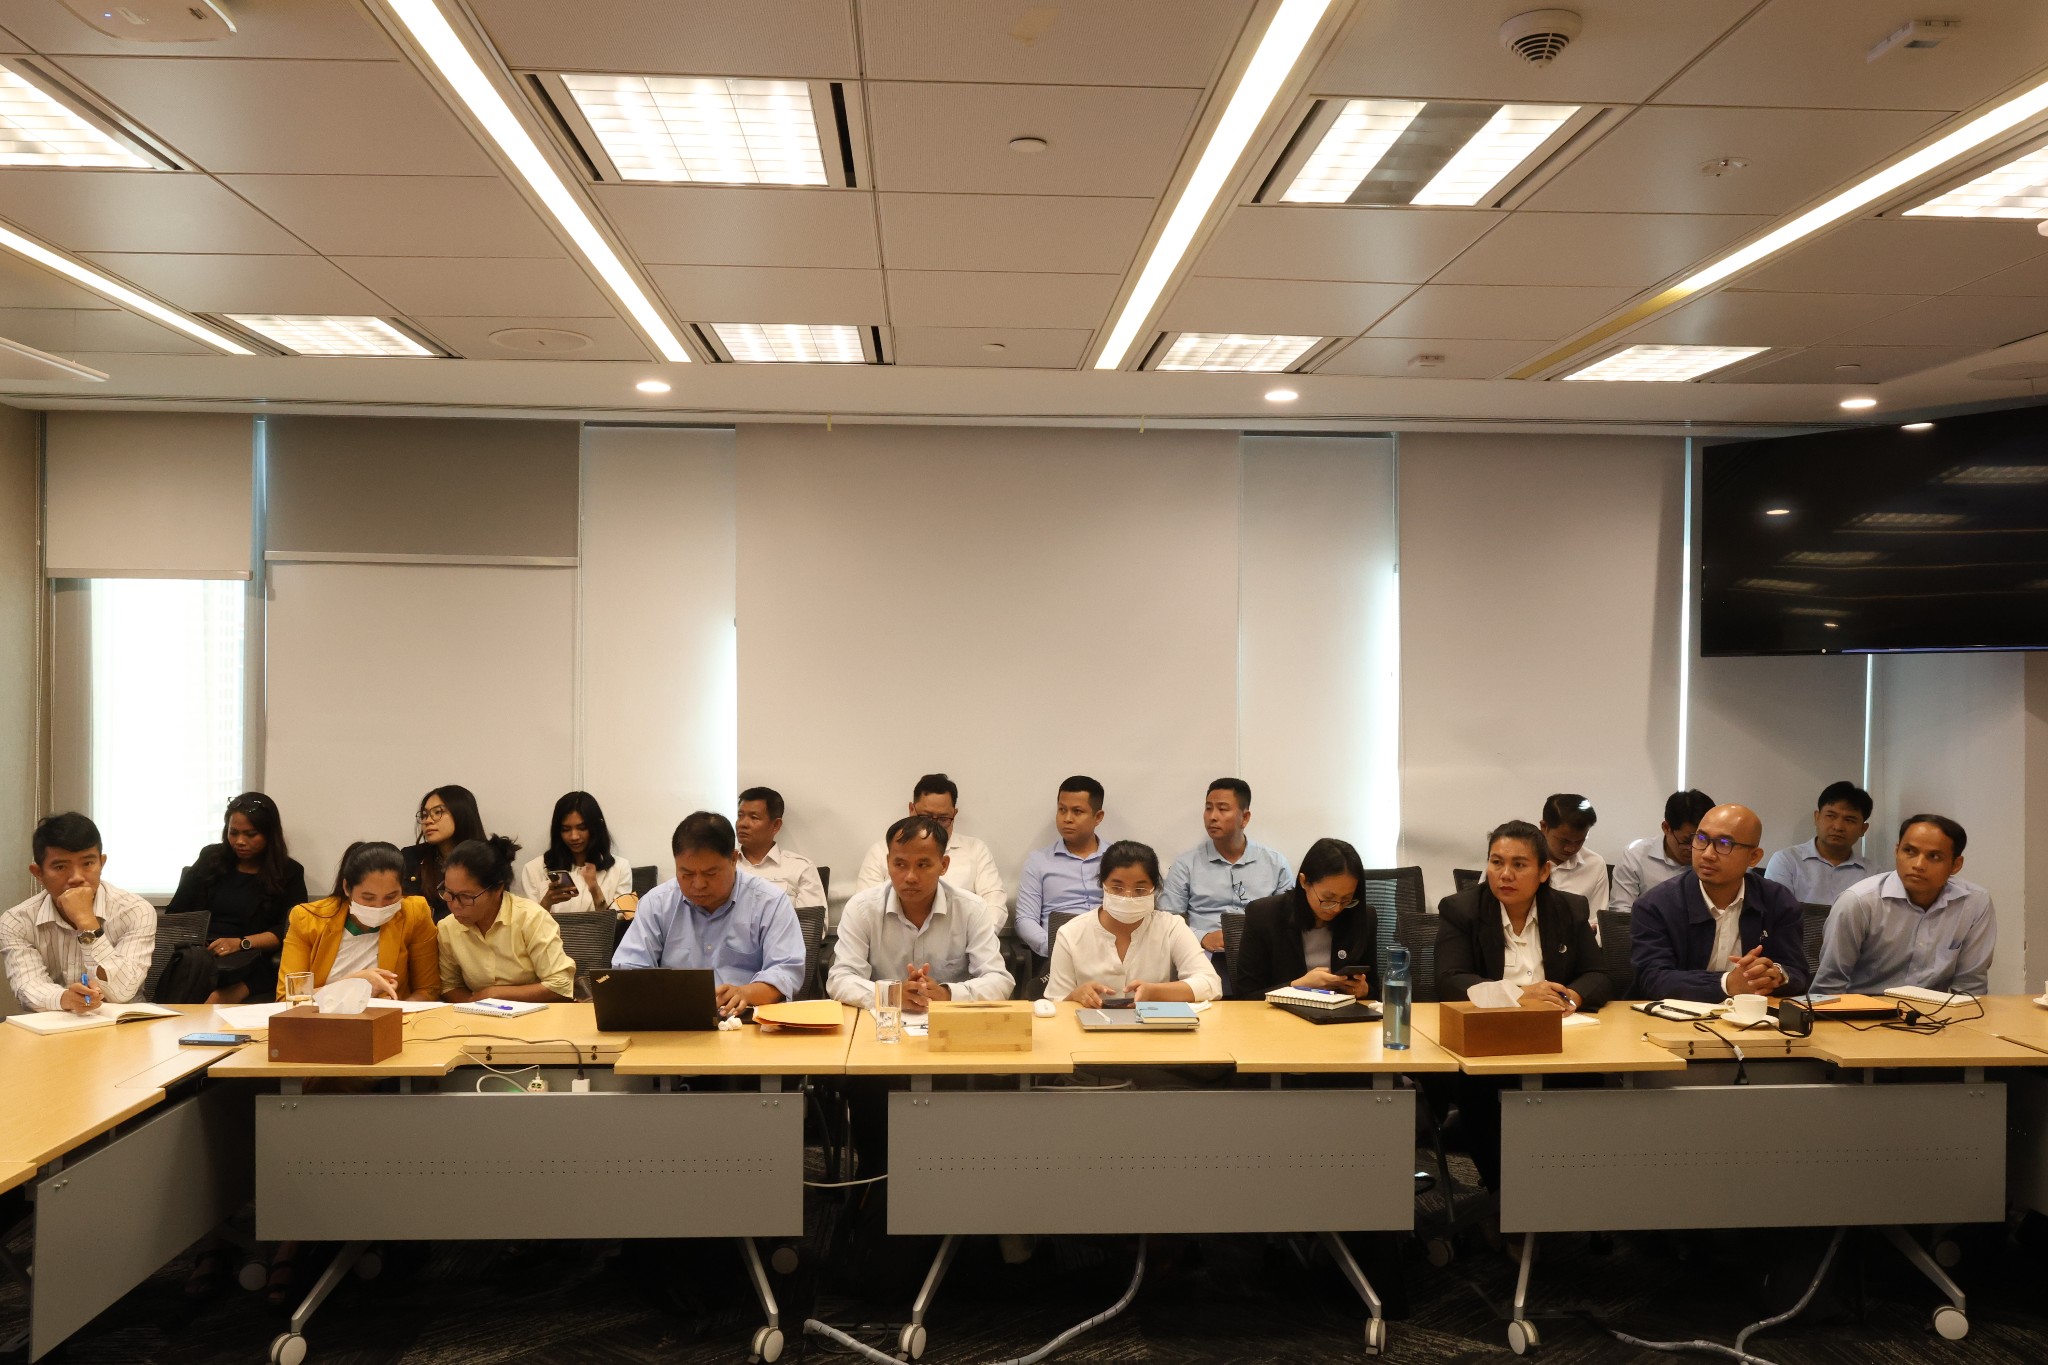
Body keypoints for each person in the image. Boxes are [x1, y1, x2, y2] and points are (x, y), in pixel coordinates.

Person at [1433, 821, 1611, 1196]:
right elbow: (1449, 979)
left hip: (1559, 1040)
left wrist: (1570, 997)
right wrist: (1521, 994)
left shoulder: (1569, 909)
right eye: (1496, 862)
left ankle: (1569, 1190)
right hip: (1489, 1042)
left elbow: (1599, 974)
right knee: (1478, 1090)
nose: (1505, 874)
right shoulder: (1461, 909)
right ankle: (1502, 1194)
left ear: (1544, 871)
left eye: (1519, 864)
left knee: (1591, 1084)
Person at [614, 811, 805, 1013]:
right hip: (674, 1017)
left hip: (745, 1018)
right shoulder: (657, 903)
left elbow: (785, 972)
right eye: (686, 874)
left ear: (734, 859)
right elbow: (628, 969)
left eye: (710, 873)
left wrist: (745, 993)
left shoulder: (770, 902)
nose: (698, 884)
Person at [1630, 803, 1808, 1003]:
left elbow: (1798, 973)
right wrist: (1727, 983)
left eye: (1724, 843)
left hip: (1752, 1016)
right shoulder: (1656, 905)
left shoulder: (1778, 901)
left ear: (1754, 857)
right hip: (1676, 1016)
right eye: (1701, 839)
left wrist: (1775, 975)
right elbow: (1652, 979)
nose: (1707, 854)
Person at [829, 815, 1012, 1008]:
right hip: (884, 1020)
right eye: (900, 864)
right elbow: (840, 979)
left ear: (943, 865)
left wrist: (947, 994)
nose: (910, 877)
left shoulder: (971, 909)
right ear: (888, 862)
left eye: (922, 865)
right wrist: (891, 995)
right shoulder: (862, 908)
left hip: (949, 1020)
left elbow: (999, 981)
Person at [1812, 815, 1993, 997]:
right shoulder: (1859, 902)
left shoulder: (1974, 903)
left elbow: (1971, 987)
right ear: (1897, 851)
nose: (1918, 865)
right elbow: (1828, 988)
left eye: (1934, 856)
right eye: (1909, 851)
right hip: (1865, 1010)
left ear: (1956, 865)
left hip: (1935, 1012)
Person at [1, 812, 154, 1014]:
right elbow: (28, 986)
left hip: (123, 1024)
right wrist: (65, 998)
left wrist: (86, 921)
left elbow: (122, 992)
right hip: (52, 1025)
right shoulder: (16, 921)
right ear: (38, 873)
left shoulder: (136, 911)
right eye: (60, 866)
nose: (76, 877)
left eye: (88, 863)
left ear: (101, 863)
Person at [167, 792, 308, 1004]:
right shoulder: (210, 858)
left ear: (269, 834)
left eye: (251, 834)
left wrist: (241, 943)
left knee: (216, 998)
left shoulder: (289, 872)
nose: (240, 841)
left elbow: (290, 931)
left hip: (254, 957)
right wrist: (196, 942)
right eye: (233, 833)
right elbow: (176, 912)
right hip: (201, 953)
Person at [1046, 840, 1221, 1005]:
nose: (1127, 896)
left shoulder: (1171, 927)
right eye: (1117, 888)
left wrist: (1155, 992)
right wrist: (1075, 996)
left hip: (1155, 1024)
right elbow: (1055, 1003)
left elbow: (1210, 984)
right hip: (1087, 1024)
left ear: (1154, 889)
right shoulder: (1070, 933)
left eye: (1140, 889)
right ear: (1102, 885)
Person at [278, 841, 440, 1001]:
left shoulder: (414, 913)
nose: (379, 906)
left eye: (391, 897)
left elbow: (428, 990)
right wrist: (353, 984)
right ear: (347, 888)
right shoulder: (307, 919)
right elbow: (289, 997)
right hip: (321, 1015)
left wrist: (397, 1012)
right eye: (368, 898)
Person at [1160, 778, 1292, 971]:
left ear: (1245, 818)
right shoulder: (1185, 865)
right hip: (1205, 957)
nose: (1213, 817)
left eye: (1222, 809)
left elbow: (1287, 920)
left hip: (1260, 957)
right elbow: (1167, 920)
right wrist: (1202, 936)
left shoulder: (1275, 864)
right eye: (1208, 808)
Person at [1233, 837, 1376, 1000]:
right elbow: (1245, 996)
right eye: (1328, 898)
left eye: (1346, 899)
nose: (1336, 908)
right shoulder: (1263, 915)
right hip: (1280, 1014)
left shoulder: (1363, 916)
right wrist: (1296, 987)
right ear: (1304, 882)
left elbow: (1376, 991)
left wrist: (1364, 990)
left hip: (1343, 1013)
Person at [853, 774, 1007, 922]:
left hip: (963, 938)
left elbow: (995, 905)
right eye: (925, 817)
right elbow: (864, 908)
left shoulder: (976, 850)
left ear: (954, 814)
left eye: (943, 818)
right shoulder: (882, 851)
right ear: (911, 809)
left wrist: (977, 935)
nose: (933, 825)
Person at [440, 836, 575, 1003]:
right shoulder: (448, 927)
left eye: (466, 897)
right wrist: (476, 1006)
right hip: (476, 1014)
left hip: (537, 1014)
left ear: (497, 889)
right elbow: (450, 986)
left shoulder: (531, 918)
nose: (454, 905)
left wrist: (495, 994)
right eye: (448, 893)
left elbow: (560, 984)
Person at [1014, 776, 1108, 959]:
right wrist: (1056, 947)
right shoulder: (1038, 861)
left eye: (1077, 811)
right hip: (1059, 952)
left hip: (1110, 951)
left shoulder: (1118, 859)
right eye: (1062, 810)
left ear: (1098, 817)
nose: (1067, 819)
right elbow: (1025, 920)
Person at [518, 791, 639, 920]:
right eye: (566, 829)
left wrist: (595, 890)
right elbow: (526, 925)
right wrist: (546, 903)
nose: (574, 836)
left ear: (596, 828)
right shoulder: (533, 869)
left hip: (599, 934)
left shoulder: (620, 868)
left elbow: (618, 925)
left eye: (582, 828)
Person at [1764, 781, 1876, 908]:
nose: (1838, 826)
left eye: (1849, 820)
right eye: (1831, 816)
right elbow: (1776, 914)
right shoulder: (1786, 861)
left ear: (1863, 829)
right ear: (1817, 818)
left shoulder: (1873, 874)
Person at [1611, 789, 1714, 916]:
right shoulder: (1635, 856)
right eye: (1687, 841)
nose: (1694, 848)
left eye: (1702, 840)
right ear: (1666, 828)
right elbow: (1621, 913)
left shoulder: (1714, 859)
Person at [735, 786, 827, 913]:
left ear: (775, 825)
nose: (742, 824)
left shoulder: (800, 868)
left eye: (754, 817)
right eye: (740, 816)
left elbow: (811, 923)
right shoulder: (724, 865)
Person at [404, 784, 489, 919]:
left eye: (438, 812)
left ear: (461, 813)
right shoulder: (412, 856)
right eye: (424, 815)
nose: (427, 821)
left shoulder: (489, 859)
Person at [1538, 793, 1607, 923]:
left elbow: (1597, 922)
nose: (1571, 849)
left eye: (1580, 841)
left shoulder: (1595, 864)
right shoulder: (1521, 861)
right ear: (1544, 827)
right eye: (1564, 840)